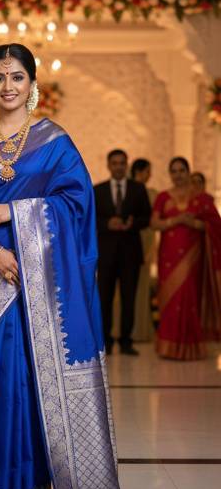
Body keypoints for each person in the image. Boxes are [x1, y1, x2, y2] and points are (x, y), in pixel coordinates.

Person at [0, 44, 128, 489]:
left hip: (39, 273)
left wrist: (17, 210)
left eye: (17, 77)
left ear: (32, 84)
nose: (7, 86)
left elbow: (77, 202)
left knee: (28, 379)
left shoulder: (54, 140)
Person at [151, 157, 221, 360]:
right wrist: (177, 220)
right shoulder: (163, 197)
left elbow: (216, 226)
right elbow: (154, 223)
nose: (178, 175)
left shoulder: (202, 198)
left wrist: (196, 224)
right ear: (170, 174)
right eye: (174, 171)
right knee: (170, 299)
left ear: (188, 172)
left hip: (193, 258)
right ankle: (168, 347)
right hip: (168, 257)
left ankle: (191, 347)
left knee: (189, 298)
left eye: (182, 170)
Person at [94, 150, 152, 356]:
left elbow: (147, 217)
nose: (118, 166)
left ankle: (126, 342)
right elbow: (90, 219)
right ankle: (106, 342)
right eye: (115, 163)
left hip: (130, 253)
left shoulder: (138, 188)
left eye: (122, 163)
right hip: (106, 254)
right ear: (109, 165)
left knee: (129, 299)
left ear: (126, 165)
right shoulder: (98, 190)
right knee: (104, 299)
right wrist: (107, 223)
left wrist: (132, 223)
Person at [130, 159, 158, 342]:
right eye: (148, 171)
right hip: (133, 241)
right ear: (139, 171)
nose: (150, 175)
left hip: (147, 241)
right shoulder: (130, 191)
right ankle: (129, 328)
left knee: (142, 286)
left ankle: (140, 329)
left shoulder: (153, 193)